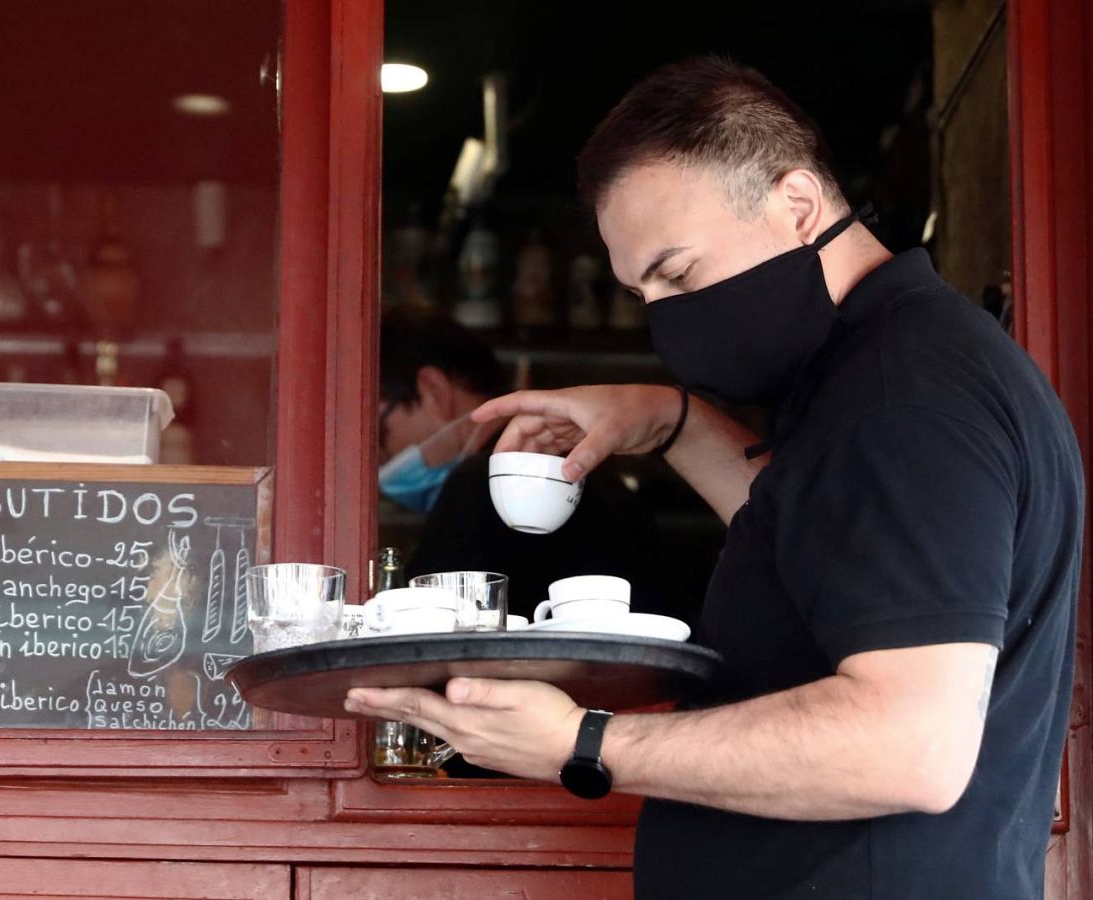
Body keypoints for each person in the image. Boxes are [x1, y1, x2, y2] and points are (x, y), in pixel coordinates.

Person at [347, 56, 1083, 899]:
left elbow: (909, 745)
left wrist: (583, 743)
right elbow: (817, 550)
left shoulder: (901, 397)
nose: (666, 315)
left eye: (678, 272)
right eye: (641, 292)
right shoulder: (876, 373)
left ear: (797, 205)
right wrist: (672, 419)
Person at [379, 307, 664, 621]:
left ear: (433, 390)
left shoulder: (482, 485)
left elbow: (427, 634)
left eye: (378, 431)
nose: (376, 455)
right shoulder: (580, 470)